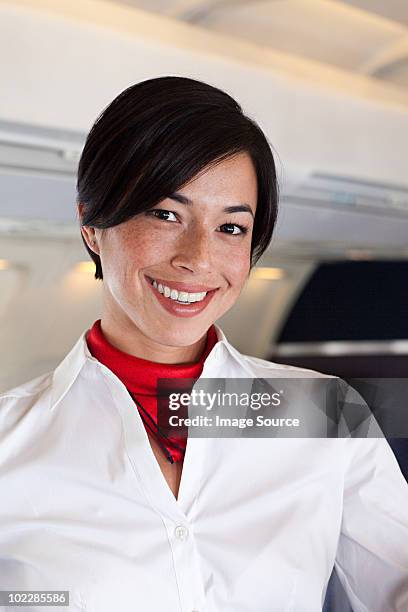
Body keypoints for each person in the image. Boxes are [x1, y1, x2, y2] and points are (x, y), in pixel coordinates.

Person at [0, 76, 407, 612]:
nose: (197, 258)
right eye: (165, 214)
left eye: (231, 228)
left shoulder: (322, 415)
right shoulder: (11, 442)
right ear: (91, 225)